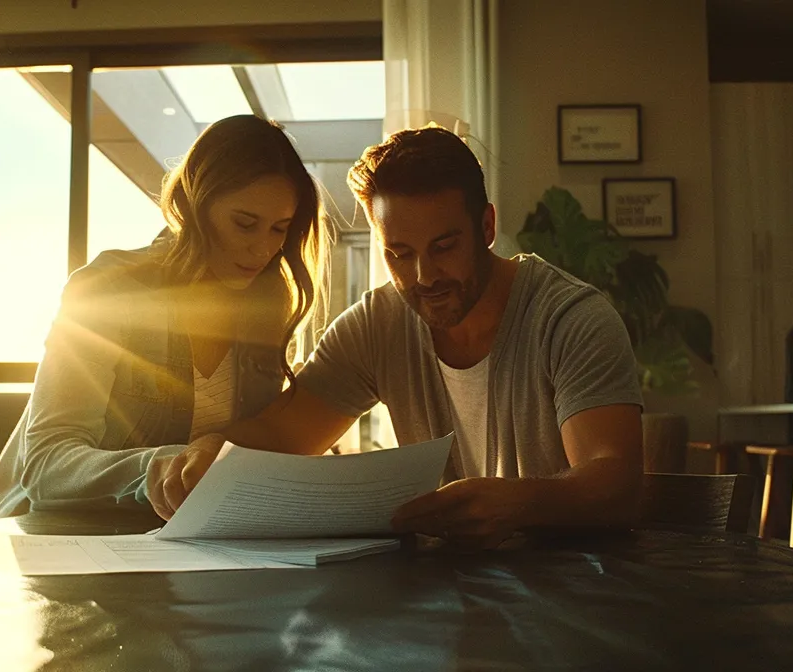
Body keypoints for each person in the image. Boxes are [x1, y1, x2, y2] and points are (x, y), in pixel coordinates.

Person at [149, 125, 645, 548]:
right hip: (455, 591)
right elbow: (283, 433)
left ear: (487, 226)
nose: (425, 275)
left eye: (444, 246)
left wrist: (519, 501)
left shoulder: (572, 319)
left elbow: (616, 482)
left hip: (577, 588)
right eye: (399, 254)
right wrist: (214, 447)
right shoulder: (379, 322)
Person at [0, 115, 329, 522]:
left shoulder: (270, 305)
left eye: (278, 229)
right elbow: (46, 466)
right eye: (244, 224)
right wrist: (158, 468)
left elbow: (257, 443)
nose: (262, 249)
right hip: (49, 535)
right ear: (195, 204)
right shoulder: (109, 288)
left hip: (176, 540)